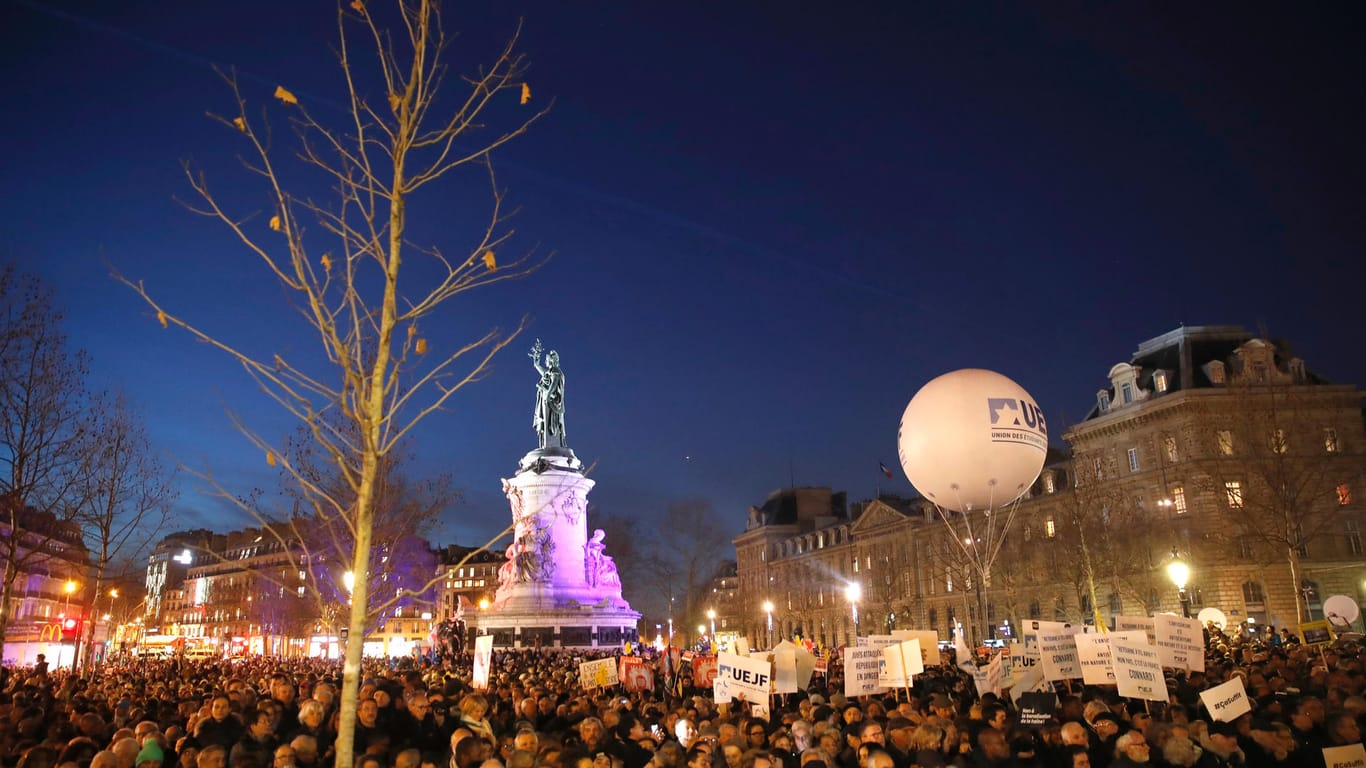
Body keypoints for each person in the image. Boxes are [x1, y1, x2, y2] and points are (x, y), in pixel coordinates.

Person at [530, 340, 566, 449]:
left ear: (551, 360)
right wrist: (536, 365)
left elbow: (553, 386)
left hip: (553, 404)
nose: (545, 361)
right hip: (548, 402)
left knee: (552, 425)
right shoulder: (551, 372)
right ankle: (546, 444)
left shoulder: (556, 372)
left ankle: (553, 445)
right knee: (546, 424)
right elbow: (544, 373)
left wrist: (547, 394)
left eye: (546, 360)